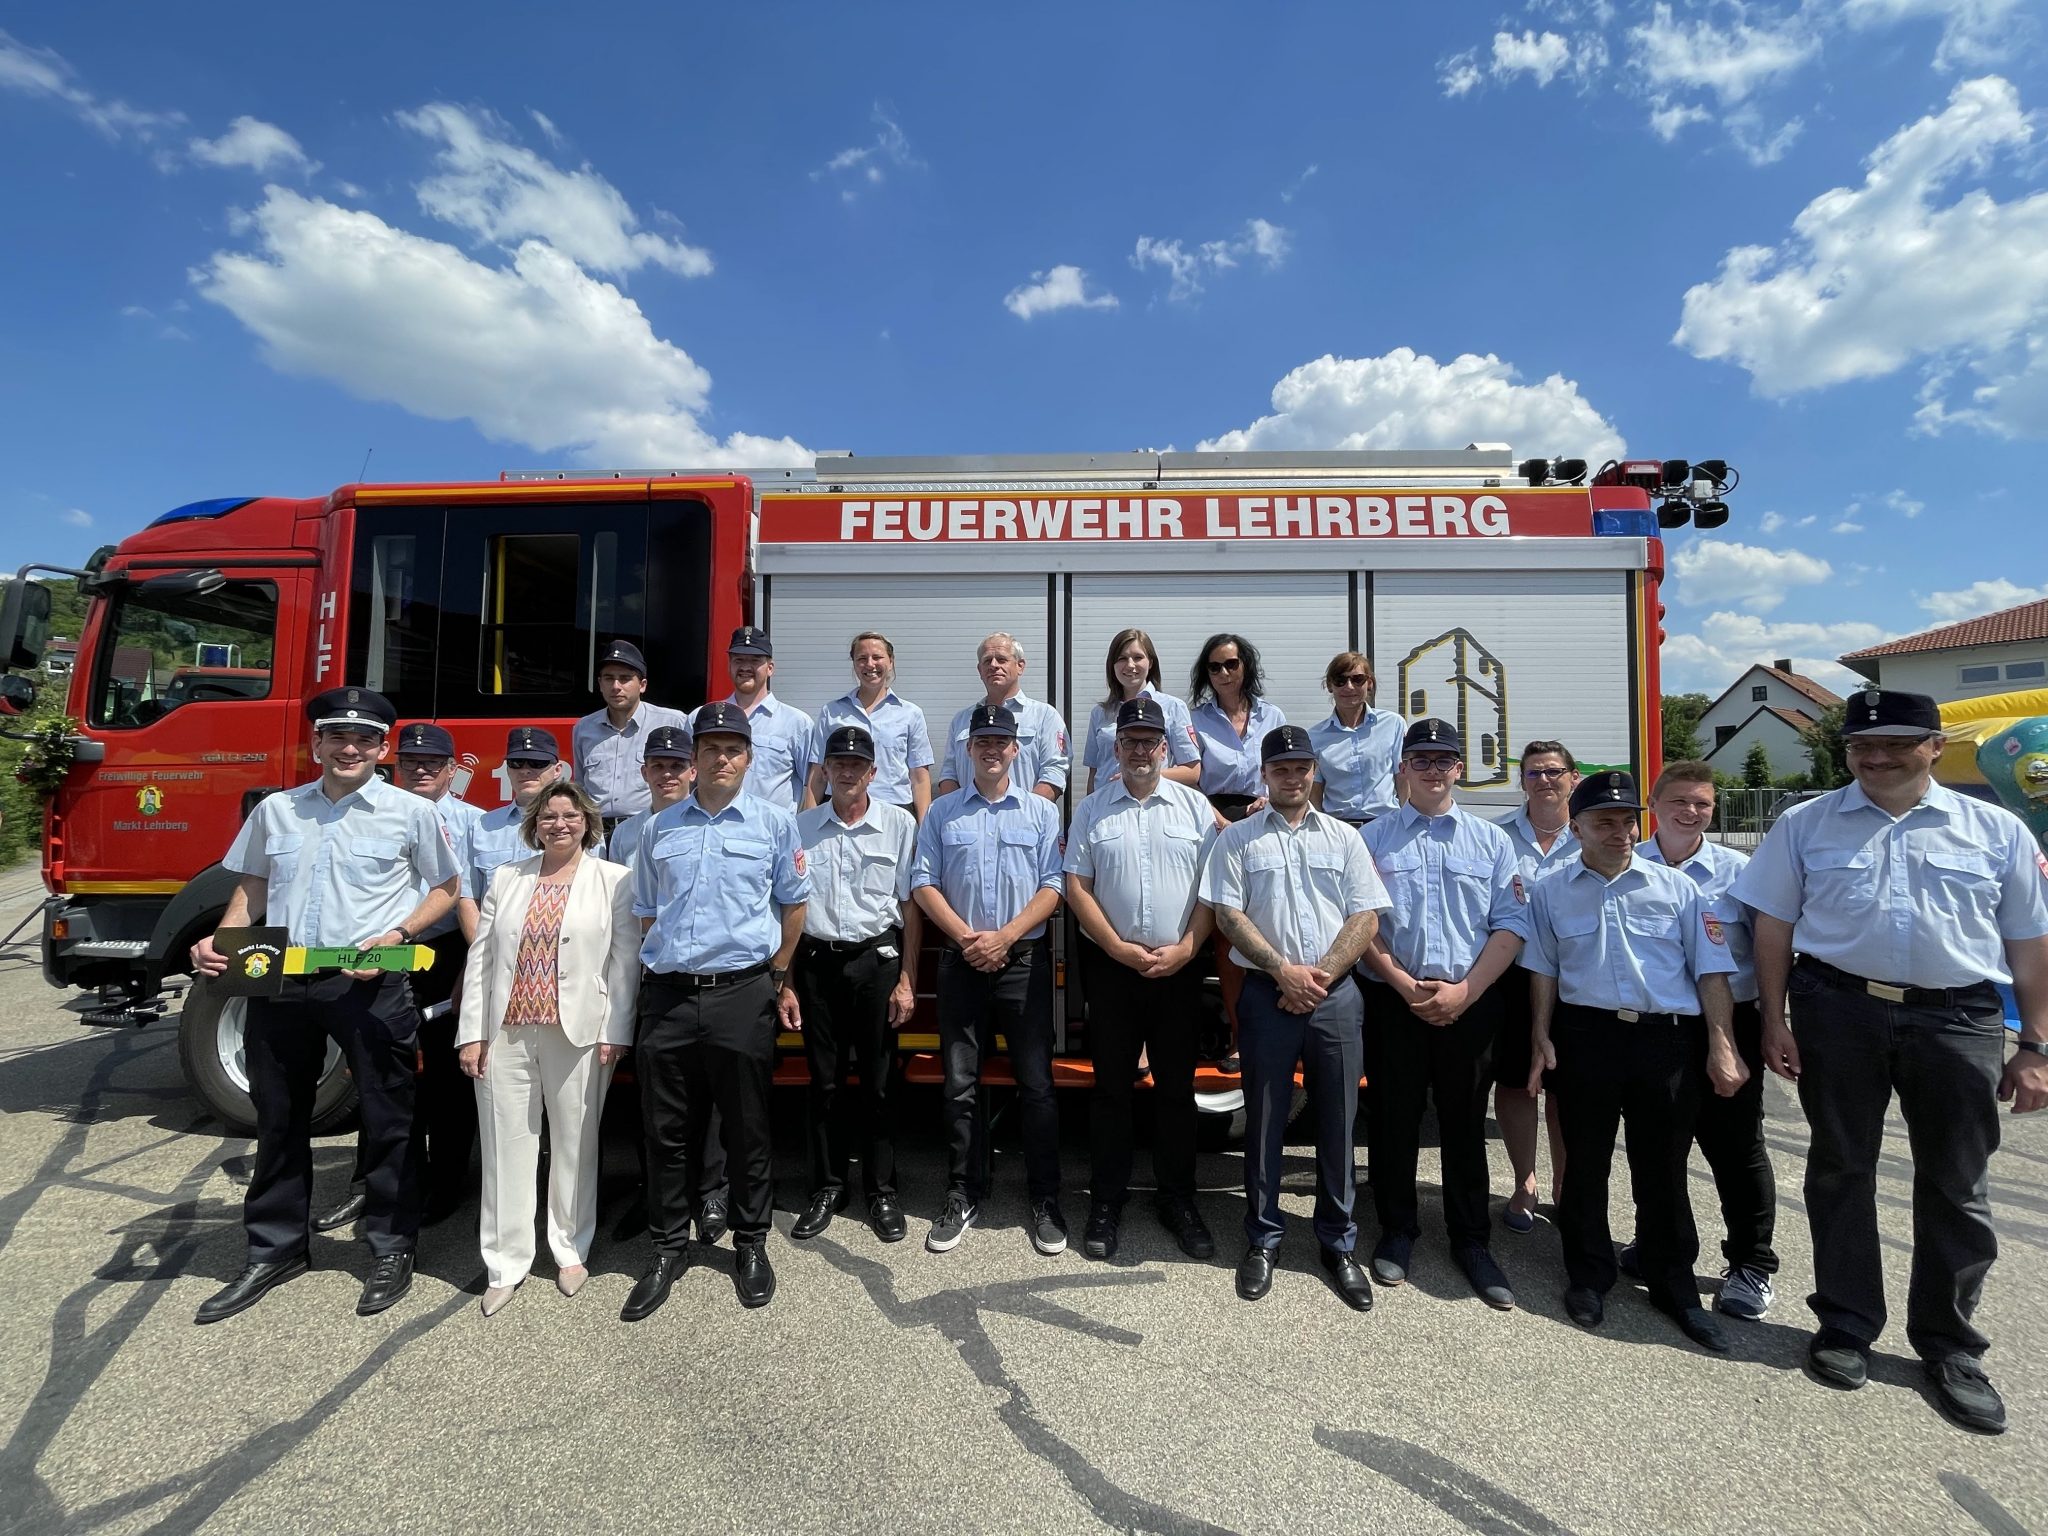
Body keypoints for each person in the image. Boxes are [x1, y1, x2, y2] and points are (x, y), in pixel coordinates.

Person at [1736, 688, 2048, 1434]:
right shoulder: (1805, 824)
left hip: (1959, 1016)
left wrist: (2036, 1044)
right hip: (1837, 1008)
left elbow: (2030, 943)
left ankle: (1949, 1346)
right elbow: (1772, 929)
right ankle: (1846, 1325)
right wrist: (1775, 1018)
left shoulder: (1993, 830)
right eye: (1861, 747)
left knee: (1958, 1182)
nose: (1876, 758)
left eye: (1896, 744)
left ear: (1934, 746)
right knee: (1841, 1168)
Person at [189, 687, 460, 1323]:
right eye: (337, 736)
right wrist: (220, 944)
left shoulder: (409, 813)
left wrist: (397, 936)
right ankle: (275, 1247)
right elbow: (253, 889)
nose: (350, 748)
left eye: (365, 739)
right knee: (277, 1117)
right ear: (317, 743)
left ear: (383, 748)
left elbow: (448, 889)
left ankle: (392, 1247)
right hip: (277, 976)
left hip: (366, 982)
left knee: (388, 1116)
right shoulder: (277, 812)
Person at [1522, 770, 1747, 1352]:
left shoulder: (1678, 890)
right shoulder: (1551, 890)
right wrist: (1541, 1037)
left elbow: (1711, 971)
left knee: (1664, 1170)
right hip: (1586, 1037)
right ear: (1576, 828)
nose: (1620, 833)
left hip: (1665, 1042)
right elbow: (1544, 969)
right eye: (1604, 823)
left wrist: (1722, 1044)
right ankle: (1589, 1276)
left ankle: (1676, 1289)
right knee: (1586, 1165)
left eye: (1627, 822)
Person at [625, 701, 809, 1318]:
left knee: (747, 1129)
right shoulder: (660, 828)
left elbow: (793, 904)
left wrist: (777, 976)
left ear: (749, 758)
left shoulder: (776, 824)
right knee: (666, 1131)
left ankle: (751, 1242)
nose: (721, 757)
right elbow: (647, 911)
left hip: (741, 993)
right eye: (710, 748)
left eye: (733, 748)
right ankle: (667, 1246)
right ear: (694, 757)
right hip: (671, 996)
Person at [1200, 724, 1389, 1311]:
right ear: (1264, 773)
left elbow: (1366, 916)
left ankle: (1338, 1243)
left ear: (1314, 772)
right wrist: (1284, 971)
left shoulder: (1345, 839)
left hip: (1332, 995)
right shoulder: (1237, 841)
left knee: (1337, 1120)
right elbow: (1228, 916)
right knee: (1265, 1119)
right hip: (1266, 992)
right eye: (1280, 768)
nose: (1291, 776)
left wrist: (1321, 975)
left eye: (1300, 767)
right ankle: (1263, 1239)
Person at [1359, 719, 1529, 1310]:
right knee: (1393, 1121)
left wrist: (1467, 992)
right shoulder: (1373, 839)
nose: (1433, 769)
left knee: (1461, 1126)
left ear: (1460, 767)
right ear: (1402, 768)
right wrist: (1405, 985)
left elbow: (1511, 925)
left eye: (1444, 759)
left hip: (1470, 1002)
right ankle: (1397, 1231)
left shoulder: (1491, 842)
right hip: (1395, 1001)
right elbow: (1363, 927)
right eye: (1421, 759)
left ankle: (1471, 1241)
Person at [457, 779, 640, 1316]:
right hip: (507, 1030)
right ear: (533, 825)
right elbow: (483, 960)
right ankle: (505, 1261)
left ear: (588, 822)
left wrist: (616, 1029)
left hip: (580, 1032)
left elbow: (624, 962)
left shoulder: (614, 880)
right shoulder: (506, 879)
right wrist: (472, 1031)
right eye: (548, 816)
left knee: (575, 1144)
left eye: (570, 815)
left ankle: (570, 1249)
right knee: (504, 1145)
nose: (559, 824)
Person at [1063, 696, 1219, 1262]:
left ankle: (1178, 1198)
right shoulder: (1092, 809)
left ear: (1165, 748)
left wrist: (1187, 948)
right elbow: (1077, 886)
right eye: (1128, 741)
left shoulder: (1196, 809)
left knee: (1177, 1092)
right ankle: (1106, 1201)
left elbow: (1212, 889)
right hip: (1112, 970)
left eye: (1148, 741)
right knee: (1110, 1092)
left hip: (1179, 970)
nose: (1138, 750)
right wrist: (1117, 947)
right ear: (1116, 748)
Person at [315, 720, 484, 1234]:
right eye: (411, 761)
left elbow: (476, 893)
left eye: (433, 762)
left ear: (453, 770)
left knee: (445, 1076)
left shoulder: (475, 822)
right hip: (379, 955)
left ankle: (445, 1182)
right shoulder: (372, 809)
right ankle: (369, 1184)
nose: (421, 769)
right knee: (377, 1072)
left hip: (441, 953)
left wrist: (476, 964)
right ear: (395, 764)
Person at [1625, 761, 1777, 1322]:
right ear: (1654, 805)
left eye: (1703, 804)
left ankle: (1751, 1264)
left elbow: (1768, 950)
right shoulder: (1627, 863)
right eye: (1680, 802)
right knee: (1658, 1148)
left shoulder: (1741, 873)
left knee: (1735, 1147)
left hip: (1731, 1020)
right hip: (1660, 1025)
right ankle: (1662, 1247)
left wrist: (1769, 1024)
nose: (1691, 812)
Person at [913, 701, 1066, 1255]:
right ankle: (963, 1192)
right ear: (969, 749)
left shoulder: (1043, 814)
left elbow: (1055, 886)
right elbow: (923, 882)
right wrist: (968, 939)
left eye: (1001, 742)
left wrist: (1004, 937)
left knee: (1038, 1087)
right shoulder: (942, 813)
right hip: (961, 962)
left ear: (1016, 750)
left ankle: (1045, 1198)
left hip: (1022, 964)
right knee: (960, 1085)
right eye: (983, 742)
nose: (992, 750)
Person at [789, 725, 922, 1243]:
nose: (846, 771)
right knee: (822, 1083)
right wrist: (787, 982)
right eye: (837, 763)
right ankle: (827, 1186)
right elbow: (790, 907)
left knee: (880, 1082)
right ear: (825, 770)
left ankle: (882, 1190)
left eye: (857, 764)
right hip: (818, 966)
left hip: (876, 965)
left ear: (872, 771)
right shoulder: (800, 827)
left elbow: (910, 907)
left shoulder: (899, 824)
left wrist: (908, 978)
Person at [1492, 739, 1580, 1233]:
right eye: (1533, 773)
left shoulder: (1591, 835)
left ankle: (1567, 1184)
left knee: (1565, 1088)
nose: (1544, 780)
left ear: (1573, 778)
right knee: (1515, 1083)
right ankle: (1525, 1181)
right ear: (1520, 781)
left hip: (1575, 979)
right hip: (1513, 977)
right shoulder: (1496, 836)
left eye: (1553, 772)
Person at [806, 631, 936, 819]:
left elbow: (919, 779)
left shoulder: (910, 714)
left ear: (891, 662)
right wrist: (809, 822)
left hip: (894, 812)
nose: (870, 664)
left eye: (877, 657)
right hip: (840, 812)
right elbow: (818, 774)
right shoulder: (831, 712)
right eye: (862, 658)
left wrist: (925, 830)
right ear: (854, 664)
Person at [571, 639, 693, 837]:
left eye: (625, 678)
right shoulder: (583, 728)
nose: (616, 686)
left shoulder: (674, 721)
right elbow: (581, 787)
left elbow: (691, 778)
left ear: (642, 685)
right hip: (596, 834)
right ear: (600, 683)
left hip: (649, 830)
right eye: (609, 678)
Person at [933, 632, 1070, 801]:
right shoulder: (961, 720)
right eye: (987, 660)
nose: (994, 665)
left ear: (1020, 666)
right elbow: (949, 774)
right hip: (968, 823)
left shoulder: (1045, 717)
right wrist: (955, 812)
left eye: (1002, 659)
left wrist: (1025, 814)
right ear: (979, 670)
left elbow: (1054, 773)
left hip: (1025, 823)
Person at [695, 625, 817, 812]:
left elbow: (813, 784)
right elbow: (688, 778)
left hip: (772, 836)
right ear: (729, 664)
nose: (745, 667)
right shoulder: (700, 718)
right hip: (712, 831)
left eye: (754, 660)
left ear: (770, 668)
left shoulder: (797, 724)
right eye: (738, 660)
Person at [463, 728, 567, 932]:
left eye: (537, 763)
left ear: (557, 770)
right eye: (516, 763)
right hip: (495, 946)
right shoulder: (482, 826)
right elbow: (467, 898)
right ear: (507, 769)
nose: (525, 770)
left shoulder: (579, 826)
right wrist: (482, 952)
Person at [1081, 629, 1201, 793]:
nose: (1130, 665)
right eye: (1122, 658)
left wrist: (1143, 776)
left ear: (1150, 662)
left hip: (1153, 804)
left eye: (1138, 657)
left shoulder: (1173, 707)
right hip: (1106, 807)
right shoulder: (1100, 713)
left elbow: (1192, 771)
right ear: (1112, 665)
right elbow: (1094, 772)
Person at [1308, 652, 1404, 826]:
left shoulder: (1393, 724)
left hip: (1386, 825)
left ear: (1370, 683)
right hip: (1338, 827)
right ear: (1330, 686)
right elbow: (1314, 794)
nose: (1349, 687)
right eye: (1340, 680)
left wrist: (1407, 826)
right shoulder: (1314, 737)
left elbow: (1404, 780)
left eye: (1357, 679)